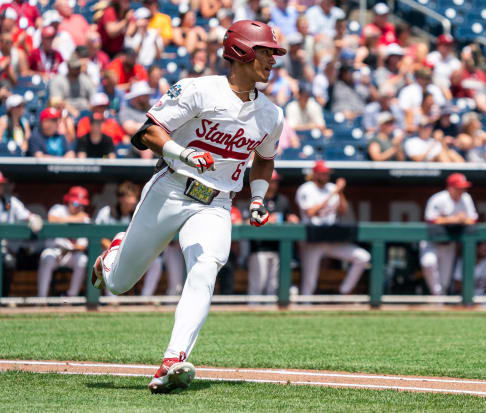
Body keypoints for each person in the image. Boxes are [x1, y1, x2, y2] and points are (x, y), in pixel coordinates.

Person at [89, 20, 285, 393]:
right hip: (172, 188)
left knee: (205, 267)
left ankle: (173, 358)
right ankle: (112, 256)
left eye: (274, 53)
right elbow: (147, 132)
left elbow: (264, 157)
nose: (273, 60)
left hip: (217, 203)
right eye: (266, 51)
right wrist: (184, 152)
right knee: (117, 284)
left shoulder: (272, 114)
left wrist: (258, 198)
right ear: (242, 51)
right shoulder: (199, 89)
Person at [295, 161, 371, 295]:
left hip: (331, 238)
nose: (325, 176)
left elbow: (343, 211)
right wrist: (334, 192)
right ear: (315, 174)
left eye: (327, 173)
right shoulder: (306, 189)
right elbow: (311, 212)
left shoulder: (331, 188)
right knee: (309, 282)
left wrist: (340, 193)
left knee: (363, 257)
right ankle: (305, 306)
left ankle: (343, 292)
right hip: (313, 239)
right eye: (322, 173)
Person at [420, 173, 478, 295]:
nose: (462, 190)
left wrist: (460, 219)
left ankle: (439, 301)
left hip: (449, 244)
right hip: (432, 242)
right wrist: (453, 219)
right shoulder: (438, 198)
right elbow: (431, 220)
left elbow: (473, 219)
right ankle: (437, 297)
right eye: (459, 187)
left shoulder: (466, 198)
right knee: (428, 263)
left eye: (464, 187)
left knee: (445, 281)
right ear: (450, 188)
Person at [247, 170, 298, 296]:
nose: (273, 184)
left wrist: (292, 219)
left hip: (278, 249)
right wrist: (267, 219)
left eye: (275, 182)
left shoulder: (282, 200)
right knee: (258, 285)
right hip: (259, 249)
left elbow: (289, 217)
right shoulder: (256, 200)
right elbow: (245, 222)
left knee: (273, 287)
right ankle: (253, 311)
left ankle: (269, 314)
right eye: (271, 181)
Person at [37, 186, 90, 297]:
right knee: (46, 257)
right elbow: (52, 219)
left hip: (71, 253)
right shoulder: (59, 209)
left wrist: (70, 249)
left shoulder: (85, 219)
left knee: (82, 260)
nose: (78, 207)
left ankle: (70, 296)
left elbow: (82, 245)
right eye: (76, 204)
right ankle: (42, 298)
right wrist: (75, 220)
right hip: (54, 251)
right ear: (68, 201)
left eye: (81, 204)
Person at [0, 171, 43, 296]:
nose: (0, 187)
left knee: (9, 262)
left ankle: (4, 298)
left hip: (6, 249)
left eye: (1, 184)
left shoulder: (10, 201)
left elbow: (27, 215)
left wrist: (33, 219)